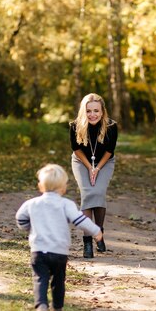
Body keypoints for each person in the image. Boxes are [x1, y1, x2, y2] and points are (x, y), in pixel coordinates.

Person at [15, 164, 102, 311]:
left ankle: (41, 305)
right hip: (59, 252)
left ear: (40, 186)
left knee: (40, 278)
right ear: (63, 188)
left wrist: (29, 229)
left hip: (38, 250)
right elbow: (80, 220)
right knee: (58, 281)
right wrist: (96, 231)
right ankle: (57, 309)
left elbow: (20, 218)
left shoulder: (32, 203)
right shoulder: (66, 204)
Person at [69, 93, 118, 259]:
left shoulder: (111, 127)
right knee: (88, 194)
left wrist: (97, 169)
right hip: (81, 161)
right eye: (88, 111)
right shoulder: (75, 126)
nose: (92, 114)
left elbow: (110, 151)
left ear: (102, 111)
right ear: (84, 111)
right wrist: (90, 167)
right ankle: (87, 240)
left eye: (96, 111)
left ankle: (99, 231)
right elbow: (76, 150)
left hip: (105, 162)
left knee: (98, 192)